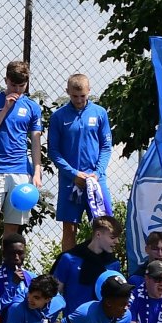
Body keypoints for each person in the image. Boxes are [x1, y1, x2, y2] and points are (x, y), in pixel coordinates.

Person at [0, 59, 44, 255]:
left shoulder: (32, 107)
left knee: (13, 227)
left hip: (21, 172)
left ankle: (6, 273)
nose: (17, 89)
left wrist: (37, 170)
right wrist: (5, 109)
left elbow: (36, 141)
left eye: (21, 86)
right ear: (6, 80)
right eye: (13, 85)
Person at [47, 72, 112, 251]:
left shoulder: (100, 113)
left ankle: (102, 268)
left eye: (82, 96)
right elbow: (53, 151)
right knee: (69, 228)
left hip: (96, 180)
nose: (79, 100)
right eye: (74, 96)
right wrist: (73, 174)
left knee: (105, 226)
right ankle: (68, 271)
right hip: (71, 181)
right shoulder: (58, 117)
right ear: (67, 91)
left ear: (89, 91)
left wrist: (97, 174)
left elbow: (106, 147)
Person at [51, 214, 121, 314]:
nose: (117, 242)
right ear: (98, 235)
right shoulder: (69, 259)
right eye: (113, 237)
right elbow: (54, 293)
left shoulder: (113, 264)